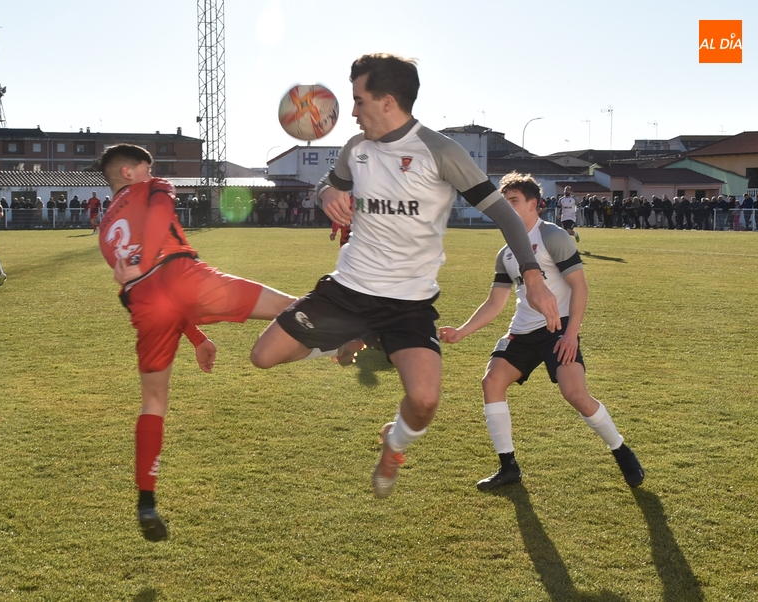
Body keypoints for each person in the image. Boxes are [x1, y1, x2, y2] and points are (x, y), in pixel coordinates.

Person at [248, 53, 560, 500]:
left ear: (388, 101)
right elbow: (327, 185)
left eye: (358, 100)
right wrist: (327, 192)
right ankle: (345, 339)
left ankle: (392, 446)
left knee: (425, 401)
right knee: (263, 356)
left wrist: (532, 275)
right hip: (348, 290)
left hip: (408, 304)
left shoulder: (441, 152)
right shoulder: (356, 149)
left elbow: (505, 215)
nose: (352, 112)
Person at [98, 144, 360, 542]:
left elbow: (141, 287)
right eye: (147, 169)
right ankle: (356, 334)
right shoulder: (153, 187)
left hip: (148, 309)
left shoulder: (105, 231)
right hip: (185, 278)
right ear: (129, 172)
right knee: (291, 308)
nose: (152, 174)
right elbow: (159, 218)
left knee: (152, 403)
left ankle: (146, 501)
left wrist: (196, 336)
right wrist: (146, 259)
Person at [439, 171, 644, 491]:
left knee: (575, 395)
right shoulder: (506, 252)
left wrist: (571, 334)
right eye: (504, 202)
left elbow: (580, 287)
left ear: (534, 204)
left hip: (557, 329)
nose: (506, 208)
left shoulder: (552, 236)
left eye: (514, 201)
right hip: (521, 331)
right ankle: (508, 467)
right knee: (491, 382)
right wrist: (462, 332)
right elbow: (495, 302)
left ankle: (620, 450)